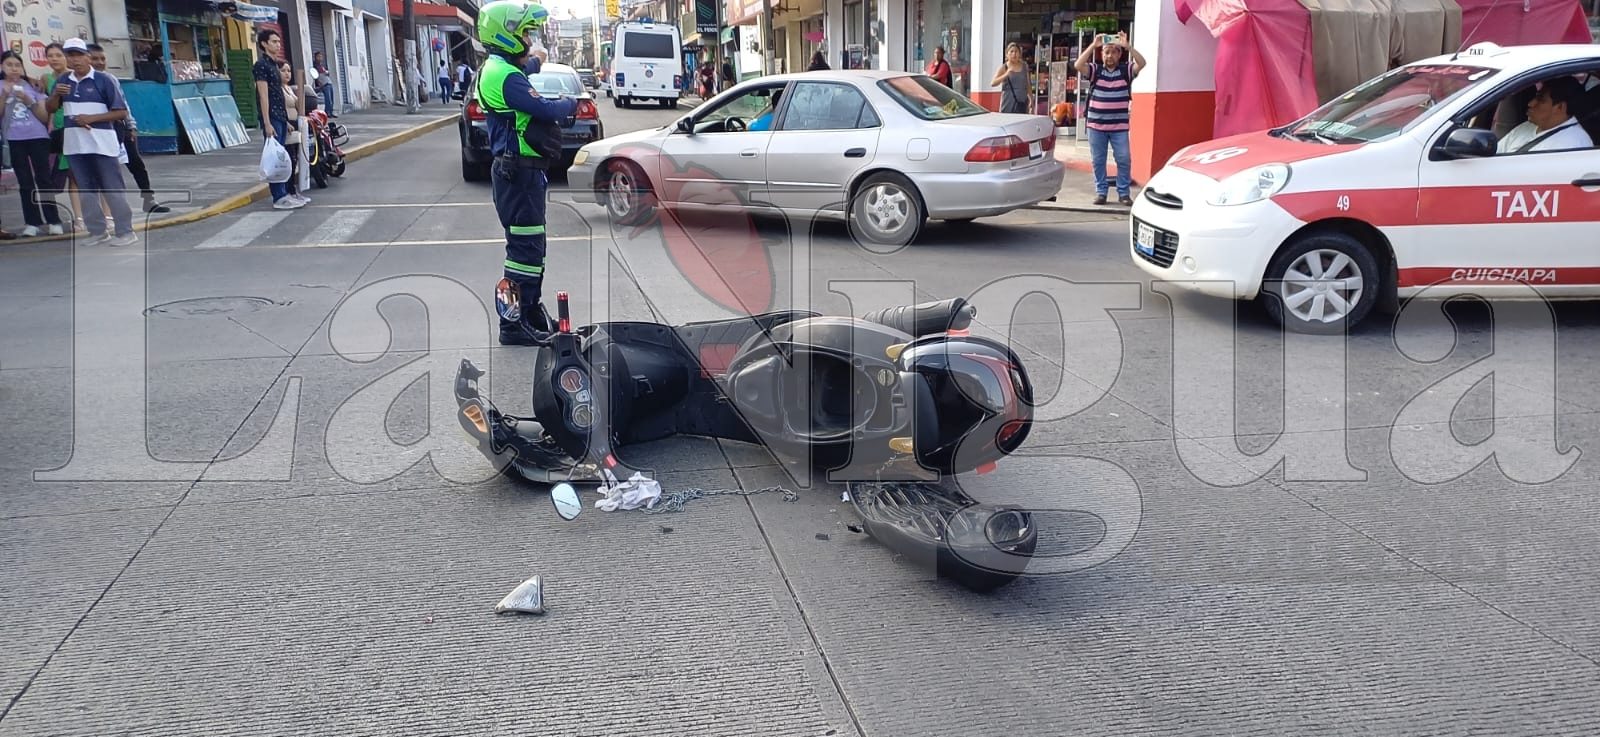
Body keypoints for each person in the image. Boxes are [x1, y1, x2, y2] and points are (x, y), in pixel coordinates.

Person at [475, 0, 577, 345]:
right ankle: (512, 324)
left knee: (530, 250)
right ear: (506, 35)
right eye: (525, 33)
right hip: (518, 175)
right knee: (523, 253)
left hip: (521, 174)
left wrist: (537, 60)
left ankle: (528, 309)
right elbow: (544, 109)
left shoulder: (499, 67)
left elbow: (525, 71)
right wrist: (569, 103)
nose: (529, 38)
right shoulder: (504, 75)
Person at [45, 37, 136, 246]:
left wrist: (91, 119)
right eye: (70, 55)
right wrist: (56, 96)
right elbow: (50, 109)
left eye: (78, 55)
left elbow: (121, 112)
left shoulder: (105, 80)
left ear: (87, 56)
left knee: (112, 188)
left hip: (102, 144)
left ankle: (125, 231)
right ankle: (97, 231)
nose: (74, 60)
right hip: (75, 145)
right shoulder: (62, 81)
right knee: (86, 190)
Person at [88, 43, 169, 214]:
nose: (99, 62)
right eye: (95, 59)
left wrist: (131, 126)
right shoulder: (82, 83)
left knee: (136, 164)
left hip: (120, 128)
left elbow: (123, 104)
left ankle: (149, 200)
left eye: (102, 59)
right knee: (105, 171)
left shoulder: (110, 79)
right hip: (97, 132)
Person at [1075, 30, 1145, 206]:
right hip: (1096, 126)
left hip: (1119, 127)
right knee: (1098, 161)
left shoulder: (1126, 70)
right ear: (1102, 54)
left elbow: (1142, 63)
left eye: (1114, 51)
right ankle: (1101, 192)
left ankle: (1124, 193)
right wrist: (1093, 45)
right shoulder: (1095, 70)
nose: (1110, 55)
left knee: (1123, 159)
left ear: (1119, 54)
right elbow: (1078, 64)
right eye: (1106, 51)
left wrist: (1128, 46)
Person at [1, 49, 59, 238]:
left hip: (37, 137)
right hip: (14, 140)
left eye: (17, 65)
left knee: (44, 179)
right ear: (2, 67)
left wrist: (28, 101)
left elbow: (43, 117)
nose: (14, 69)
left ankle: (54, 220)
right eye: (9, 65)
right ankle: (32, 223)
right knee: (25, 182)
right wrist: (4, 96)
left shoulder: (33, 86)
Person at [253, 29, 303, 210]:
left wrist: (285, 121)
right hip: (272, 117)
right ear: (264, 44)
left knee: (282, 156)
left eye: (278, 42)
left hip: (281, 117)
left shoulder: (274, 65)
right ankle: (278, 196)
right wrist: (267, 123)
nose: (278, 45)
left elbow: (279, 94)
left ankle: (285, 193)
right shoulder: (261, 66)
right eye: (273, 42)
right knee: (274, 158)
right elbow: (264, 96)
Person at [1496, 76, 1594, 154]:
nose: (1530, 103)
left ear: (1560, 107)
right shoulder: (1527, 126)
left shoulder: (1574, 145)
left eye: (1540, 100)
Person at [280, 60, 310, 205]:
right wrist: (285, 123)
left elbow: (298, 104)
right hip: (286, 126)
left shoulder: (288, 88)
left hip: (295, 124)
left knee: (295, 159)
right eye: (283, 70)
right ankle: (288, 190)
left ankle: (293, 190)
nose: (287, 73)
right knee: (289, 159)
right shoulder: (277, 89)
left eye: (288, 71)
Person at [991, 42, 1029, 114]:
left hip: (1022, 102)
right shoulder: (1004, 67)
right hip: (1008, 102)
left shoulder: (1024, 66)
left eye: (1016, 51)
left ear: (1019, 53)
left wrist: (1031, 100)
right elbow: (993, 83)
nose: (1014, 54)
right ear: (1007, 54)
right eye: (1011, 51)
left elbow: (1027, 84)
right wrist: (1006, 74)